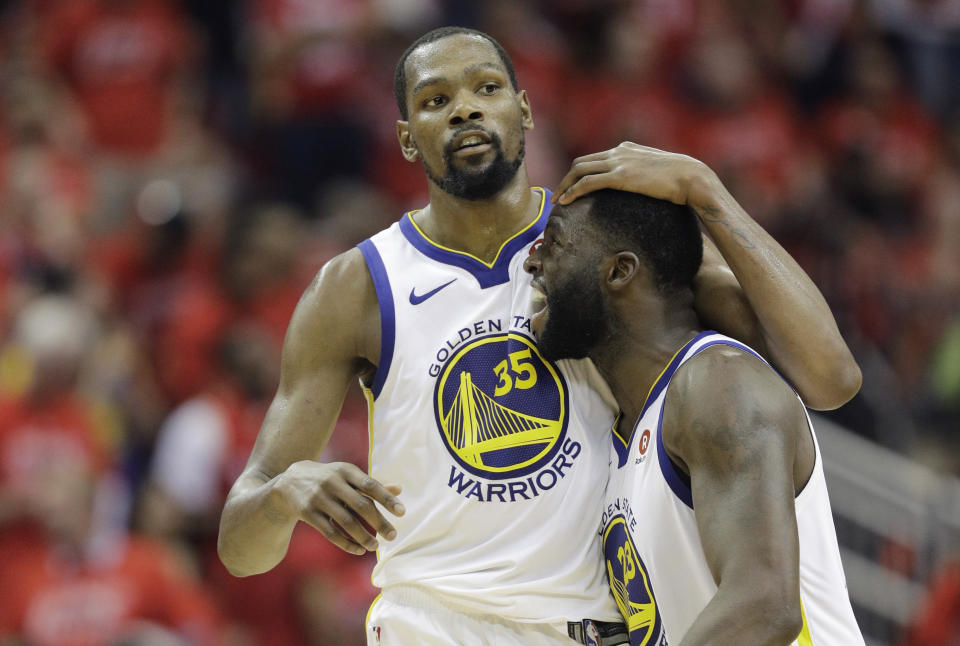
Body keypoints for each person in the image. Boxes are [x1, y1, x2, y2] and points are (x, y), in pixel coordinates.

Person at [218, 27, 861, 645]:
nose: (465, 109)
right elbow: (240, 547)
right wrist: (284, 493)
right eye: (436, 101)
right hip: (436, 624)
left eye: (486, 88)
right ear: (408, 139)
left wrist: (704, 188)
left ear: (524, 109)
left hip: (601, 627)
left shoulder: (601, 243)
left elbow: (829, 379)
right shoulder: (356, 286)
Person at [523, 186, 864, 645]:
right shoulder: (624, 437)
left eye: (556, 244)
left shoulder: (718, 384)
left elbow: (763, 607)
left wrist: (699, 186)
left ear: (621, 271)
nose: (532, 263)